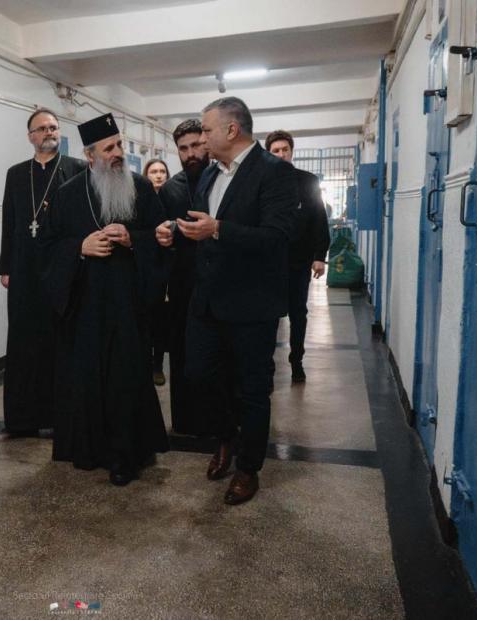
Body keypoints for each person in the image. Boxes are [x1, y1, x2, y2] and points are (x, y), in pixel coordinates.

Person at [156, 97, 297, 505]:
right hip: (207, 301)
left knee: (251, 390)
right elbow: (199, 223)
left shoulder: (274, 172)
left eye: (207, 130)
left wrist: (219, 229)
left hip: (252, 303)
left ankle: (248, 468)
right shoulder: (210, 174)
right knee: (198, 375)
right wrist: (173, 231)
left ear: (231, 130)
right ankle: (225, 437)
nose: (202, 139)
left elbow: (277, 237)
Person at [42, 113, 169, 486]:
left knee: (125, 379)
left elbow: (162, 240)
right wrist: (79, 248)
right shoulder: (67, 194)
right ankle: (91, 449)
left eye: (119, 145)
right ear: (90, 155)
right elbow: (47, 248)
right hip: (85, 308)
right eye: (109, 148)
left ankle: (126, 456)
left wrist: (133, 239)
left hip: (128, 305)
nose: (118, 154)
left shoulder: (141, 188)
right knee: (88, 379)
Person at [0, 108, 86, 437]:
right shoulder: (16, 174)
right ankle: (24, 418)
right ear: (30, 136)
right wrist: (5, 266)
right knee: (24, 342)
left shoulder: (77, 169)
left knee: (60, 341)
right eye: (42, 128)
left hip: (62, 268)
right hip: (23, 269)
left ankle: (63, 416)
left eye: (53, 127)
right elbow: (9, 220)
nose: (49, 132)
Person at [156, 119, 219, 437]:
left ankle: (218, 422)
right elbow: (159, 234)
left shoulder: (223, 180)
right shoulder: (171, 189)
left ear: (206, 143)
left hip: (219, 282)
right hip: (182, 285)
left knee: (217, 355)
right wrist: (163, 234)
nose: (191, 153)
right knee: (181, 353)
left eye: (195, 145)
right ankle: (184, 421)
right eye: (183, 148)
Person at [265, 130, 330, 383]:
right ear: (269, 154)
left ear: (292, 151)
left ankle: (297, 361)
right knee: (268, 315)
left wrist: (319, 256)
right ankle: (267, 366)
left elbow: (319, 220)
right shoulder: (262, 182)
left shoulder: (307, 181)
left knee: (297, 313)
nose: (281, 154)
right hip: (269, 263)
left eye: (285, 149)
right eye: (276, 151)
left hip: (298, 261)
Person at [143, 158, 171, 385]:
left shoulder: (173, 198)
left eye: (162, 171)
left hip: (169, 264)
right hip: (147, 265)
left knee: (162, 319)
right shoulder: (141, 198)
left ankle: (158, 365)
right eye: (154, 171)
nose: (159, 175)